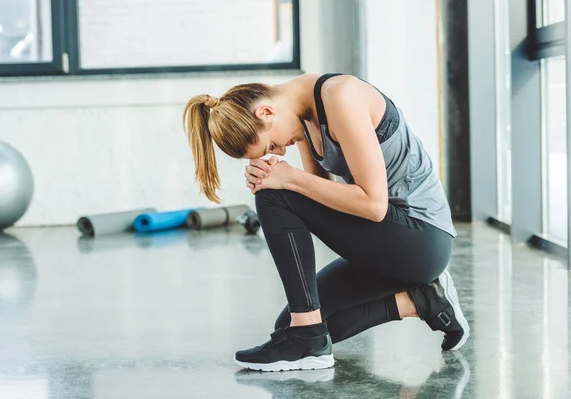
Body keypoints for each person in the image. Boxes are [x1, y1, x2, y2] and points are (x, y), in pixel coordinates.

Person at [183, 73, 470, 372]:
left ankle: (307, 339)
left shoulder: (341, 96)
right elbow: (319, 195)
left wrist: (287, 178)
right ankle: (421, 300)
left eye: (270, 145)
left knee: (273, 196)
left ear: (266, 112)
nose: (280, 152)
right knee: (288, 326)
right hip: (390, 242)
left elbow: (373, 205)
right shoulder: (302, 114)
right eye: (271, 152)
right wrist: (277, 177)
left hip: (420, 237)